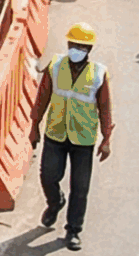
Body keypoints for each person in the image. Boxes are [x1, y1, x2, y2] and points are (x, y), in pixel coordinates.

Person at [32, 22, 113, 251]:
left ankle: (74, 230)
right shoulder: (56, 66)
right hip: (55, 132)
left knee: (80, 187)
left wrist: (106, 139)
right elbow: (42, 97)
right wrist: (34, 126)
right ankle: (55, 202)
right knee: (48, 176)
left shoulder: (98, 73)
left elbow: (105, 107)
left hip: (83, 139)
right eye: (73, 44)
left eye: (82, 46)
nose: (76, 48)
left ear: (89, 49)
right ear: (68, 44)